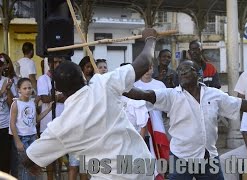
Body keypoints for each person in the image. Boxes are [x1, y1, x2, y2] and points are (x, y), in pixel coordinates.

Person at [22, 28, 158, 180]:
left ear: (58, 89)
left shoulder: (60, 127)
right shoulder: (103, 83)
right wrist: (150, 38)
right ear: (82, 75)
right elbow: (145, 62)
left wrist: (34, 166)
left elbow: (29, 159)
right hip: (141, 168)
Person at [124, 60, 247, 179]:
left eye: (186, 69)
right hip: (182, 158)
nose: (181, 73)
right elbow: (143, 95)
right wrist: (119, 86)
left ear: (198, 74)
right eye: (179, 70)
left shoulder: (213, 94)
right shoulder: (171, 95)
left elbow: (240, 104)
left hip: (208, 158)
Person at [9, 78, 53, 180]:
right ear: (19, 90)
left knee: (33, 164)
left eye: (29, 88)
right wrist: (18, 141)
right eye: (24, 88)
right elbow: (12, 124)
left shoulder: (32, 103)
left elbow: (36, 119)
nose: (28, 90)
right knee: (25, 165)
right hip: (22, 138)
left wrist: (48, 109)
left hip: (32, 137)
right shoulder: (16, 104)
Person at [0, 55, 14, 174]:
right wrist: (2, 90)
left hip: (4, 124)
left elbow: (11, 104)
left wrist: (8, 90)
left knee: (5, 159)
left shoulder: (6, 80)